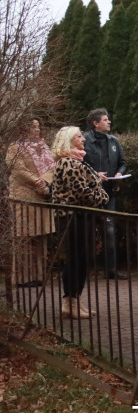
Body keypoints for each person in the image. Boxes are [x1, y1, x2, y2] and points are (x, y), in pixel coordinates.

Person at [51, 126, 109, 319]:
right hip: (73, 217)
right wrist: (103, 198)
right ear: (69, 140)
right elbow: (81, 192)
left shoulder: (74, 161)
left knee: (80, 259)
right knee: (76, 259)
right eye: (78, 137)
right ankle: (70, 302)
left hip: (77, 216)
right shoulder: (69, 163)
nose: (83, 139)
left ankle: (74, 301)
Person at [6, 117, 55, 288]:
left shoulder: (44, 146)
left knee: (40, 236)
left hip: (41, 197)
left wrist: (46, 183)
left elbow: (52, 167)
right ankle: (22, 277)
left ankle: (39, 275)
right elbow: (18, 170)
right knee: (24, 237)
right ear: (25, 129)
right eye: (34, 127)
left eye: (38, 127)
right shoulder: (14, 147)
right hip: (24, 197)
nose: (38, 130)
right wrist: (37, 182)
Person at [82, 108, 128, 280]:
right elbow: (80, 164)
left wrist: (119, 173)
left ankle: (111, 270)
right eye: (105, 119)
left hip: (109, 193)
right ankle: (85, 270)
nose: (109, 122)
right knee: (87, 231)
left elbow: (123, 162)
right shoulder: (85, 140)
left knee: (109, 231)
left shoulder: (113, 141)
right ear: (95, 123)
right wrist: (94, 174)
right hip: (89, 194)